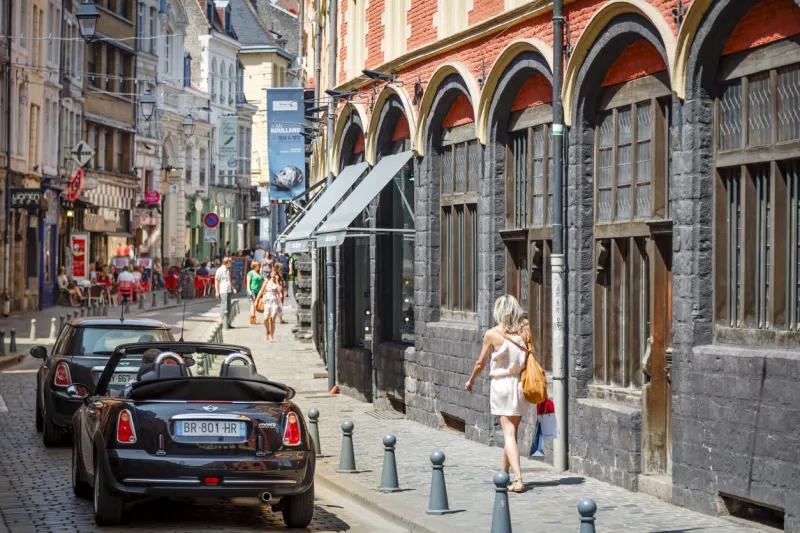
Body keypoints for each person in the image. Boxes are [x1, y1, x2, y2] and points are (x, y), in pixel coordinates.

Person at [465, 295, 530, 494]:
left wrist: (471, 380)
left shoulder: (492, 334)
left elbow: (480, 363)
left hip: (501, 385)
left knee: (508, 434)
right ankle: (504, 473)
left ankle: (518, 479)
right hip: (519, 384)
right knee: (512, 433)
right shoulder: (525, 332)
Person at [256, 263, 283, 342]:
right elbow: (261, 291)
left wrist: (277, 281)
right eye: (272, 274)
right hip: (267, 302)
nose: (273, 276)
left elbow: (279, 290)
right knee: (265, 319)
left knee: (272, 319)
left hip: (274, 302)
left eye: (275, 274)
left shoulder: (278, 282)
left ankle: (271, 336)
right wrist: (257, 300)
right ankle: (267, 331)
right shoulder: (266, 282)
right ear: (270, 274)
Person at [215, 257, 237, 324]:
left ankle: (227, 321)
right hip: (223, 290)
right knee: (224, 304)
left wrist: (233, 288)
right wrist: (217, 291)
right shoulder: (220, 270)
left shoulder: (227, 270)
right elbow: (216, 281)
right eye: (230, 263)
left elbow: (228, 281)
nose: (231, 264)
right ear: (227, 263)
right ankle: (221, 318)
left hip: (228, 290)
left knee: (229, 306)